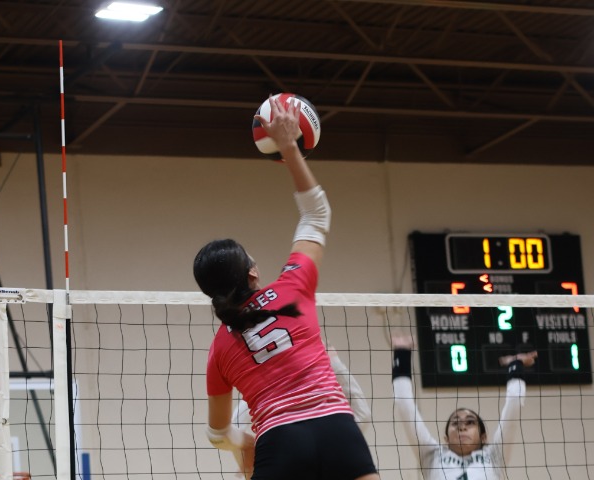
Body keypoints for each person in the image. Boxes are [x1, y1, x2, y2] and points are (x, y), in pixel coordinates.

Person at [193, 95, 380, 480]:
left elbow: (217, 433)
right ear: (252, 274)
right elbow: (316, 214)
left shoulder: (220, 349)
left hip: (278, 444)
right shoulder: (292, 288)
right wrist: (289, 147)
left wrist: (245, 442)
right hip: (336, 429)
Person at [391, 334, 538, 480]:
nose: (462, 427)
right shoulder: (432, 457)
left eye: (470, 422)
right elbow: (404, 404)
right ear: (446, 439)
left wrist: (515, 365)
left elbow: (514, 403)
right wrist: (402, 353)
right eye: (455, 423)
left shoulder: (495, 456)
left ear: (483, 437)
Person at [230, 342, 373, 478]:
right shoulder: (332, 431)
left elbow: (234, 427)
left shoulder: (272, 448)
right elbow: (363, 415)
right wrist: (335, 362)